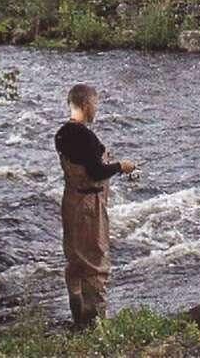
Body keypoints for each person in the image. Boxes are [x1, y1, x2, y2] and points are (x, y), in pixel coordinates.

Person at [54, 84, 135, 329]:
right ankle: (95, 327)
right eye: (96, 105)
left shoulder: (61, 134)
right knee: (96, 264)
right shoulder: (86, 136)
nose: (96, 110)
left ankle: (77, 319)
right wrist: (121, 166)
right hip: (89, 206)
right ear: (87, 105)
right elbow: (96, 170)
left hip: (70, 201)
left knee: (75, 261)